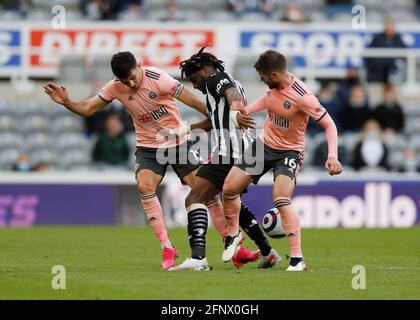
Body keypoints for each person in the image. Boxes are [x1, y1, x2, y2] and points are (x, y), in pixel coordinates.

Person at [43, 51, 214, 271]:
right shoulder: (115, 86)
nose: (130, 83)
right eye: (125, 80)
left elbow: (194, 101)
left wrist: (218, 119)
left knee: (203, 189)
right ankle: (166, 246)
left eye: (132, 77)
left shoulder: (158, 78)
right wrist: (67, 101)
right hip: (148, 146)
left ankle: (232, 240)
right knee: (144, 186)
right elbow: (87, 108)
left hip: (177, 141)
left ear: (138, 66)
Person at [222, 50, 343, 271]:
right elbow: (262, 103)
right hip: (264, 146)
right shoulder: (273, 90)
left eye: (263, 76)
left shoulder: (303, 96)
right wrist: (242, 112)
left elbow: (330, 125)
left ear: (275, 74)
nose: (261, 80)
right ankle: (233, 236)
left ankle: (297, 259)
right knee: (229, 189)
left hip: (288, 153)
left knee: (281, 197)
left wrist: (332, 156)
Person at [169, 48, 278, 271]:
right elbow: (213, 122)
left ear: (203, 70)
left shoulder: (215, 78)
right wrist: (185, 130)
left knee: (195, 198)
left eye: (193, 80)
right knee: (232, 199)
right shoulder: (233, 81)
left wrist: (237, 110)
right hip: (246, 150)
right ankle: (268, 252)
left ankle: (200, 258)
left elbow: (231, 95)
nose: (195, 86)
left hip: (231, 151)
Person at [365, 18, 407, 83]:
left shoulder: (398, 39)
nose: (389, 29)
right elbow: (370, 54)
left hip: (393, 70)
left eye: (390, 26)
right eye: (387, 26)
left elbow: (404, 53)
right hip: (379, 70)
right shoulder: (377, 38)